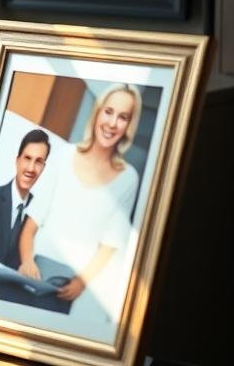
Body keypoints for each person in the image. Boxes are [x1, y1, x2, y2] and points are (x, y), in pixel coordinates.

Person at [17, 84, 141, 316]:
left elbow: (110, 244)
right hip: (35, 272)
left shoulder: (128, 178)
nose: (113, 123)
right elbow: (31, 224)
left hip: (76, 283)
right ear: (97, 112)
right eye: (108, 111)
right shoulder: (64, 155)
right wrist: (26, 262)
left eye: (123, 117)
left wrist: (81, 283)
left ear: (129, 126)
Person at [0, 128, 50, 269]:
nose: (31, 168)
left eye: (38, 161)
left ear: (43, 167)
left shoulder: (38, 211)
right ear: (17, 160)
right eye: (27, 158)